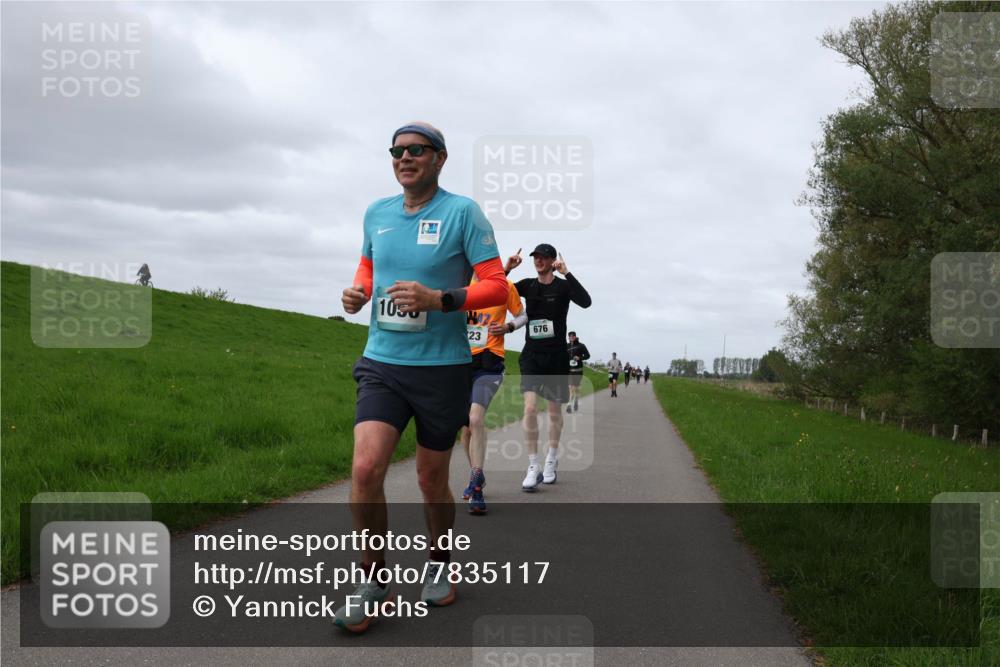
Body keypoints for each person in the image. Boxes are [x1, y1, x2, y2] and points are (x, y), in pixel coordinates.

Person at [337, 122, 508, 633]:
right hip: (383, 361)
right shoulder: (377, 213)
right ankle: (373, 581)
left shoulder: (462, 213)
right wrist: (358, 291)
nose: (404, 157)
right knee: (366, 468)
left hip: (443, 368)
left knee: (431, 479)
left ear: (440, 158)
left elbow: (497, 286)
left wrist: (442, 299)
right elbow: (369, 266)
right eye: (397, 151)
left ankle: (438, 562)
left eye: (416, 150)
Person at [511, 244, 591, 491]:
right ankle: (533, 464)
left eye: (544, 257)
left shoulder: (563, 286)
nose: (539, 261)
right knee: (531, 408)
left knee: (555, 413)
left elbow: (586, 302)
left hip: (556, 358)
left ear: (553, 261)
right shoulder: (526, 285)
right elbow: (497, 291)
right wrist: (506, 268)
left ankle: (551, 459)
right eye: (536, 257)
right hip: (532, 357)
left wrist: (567, 273)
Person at [459, 250, 527, 515]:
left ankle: (476, 486)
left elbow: (523, 315)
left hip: (490, 363)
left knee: (476, 419)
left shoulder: (505, 286)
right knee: (465, 428)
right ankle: (476, 472)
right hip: (462, 362)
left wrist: (509, 327)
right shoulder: (463, 286)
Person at [565, 331, 590, 413]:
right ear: (568, 337)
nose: (571, 337)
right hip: (570, 371)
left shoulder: (581, 346)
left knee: (577, 389)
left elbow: (587, 355)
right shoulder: (567, 346)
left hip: (578, 371)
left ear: (575, 336)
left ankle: (576, 400)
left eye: (573, 336)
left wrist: (580, 358)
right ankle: (569, 405)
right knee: (571, 388)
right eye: (570, 336)